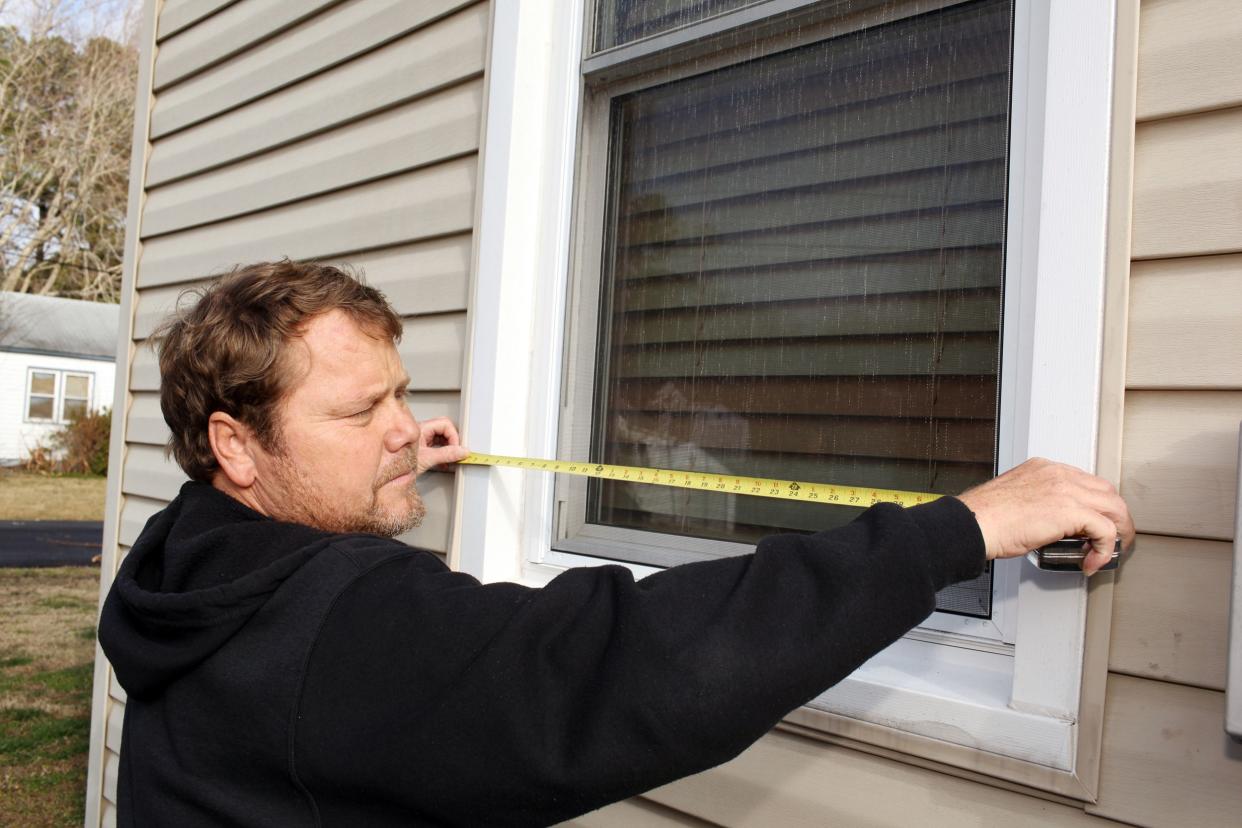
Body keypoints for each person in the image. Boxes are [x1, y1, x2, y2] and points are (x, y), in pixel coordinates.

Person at [99, 261, 1133, 827]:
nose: (406, 425)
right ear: (238, 445)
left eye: (404, 396)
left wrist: (383, 467)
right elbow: (624, 664)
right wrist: (959, 529)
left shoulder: (189, 558)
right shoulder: (338, 630)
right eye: (361, 410)